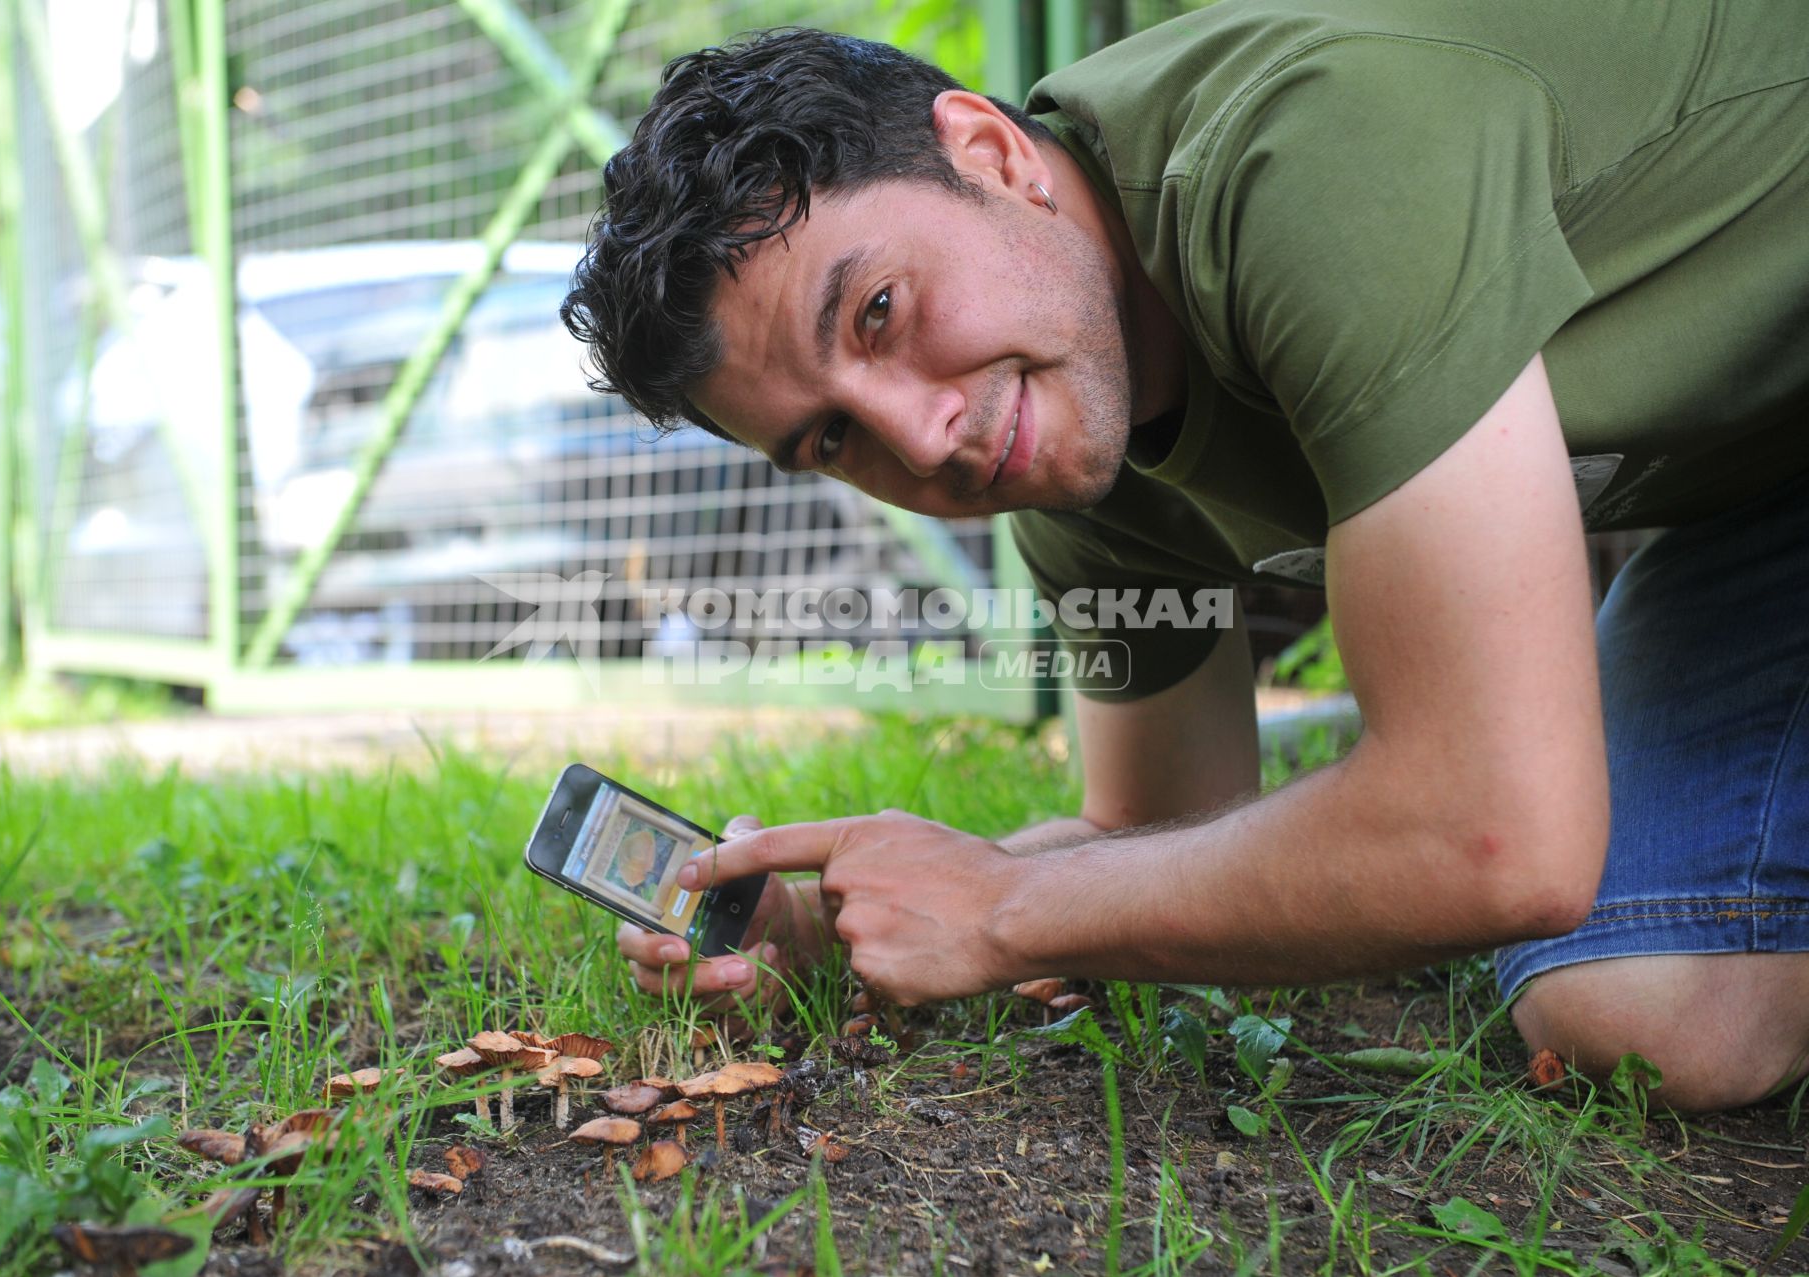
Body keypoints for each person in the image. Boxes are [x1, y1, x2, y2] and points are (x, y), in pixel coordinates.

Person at [559, 4, 1809, 1112]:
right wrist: (848, 915)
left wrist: (1000, 912)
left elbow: (1494, 836)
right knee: (1651, 1015)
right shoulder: (1061, 443)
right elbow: (1153, 835)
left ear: (989, 155)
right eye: (831, 434)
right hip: (1758, 493)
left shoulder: (1310, 160)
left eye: (878, 310)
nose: (918, 436)